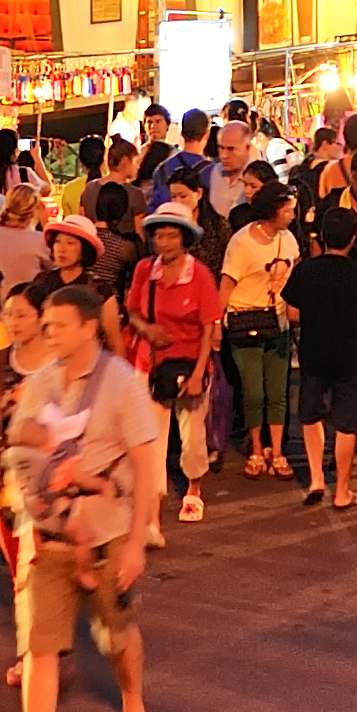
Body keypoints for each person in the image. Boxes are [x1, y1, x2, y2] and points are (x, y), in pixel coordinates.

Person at [0, 279, 162, 712]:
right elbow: (20, 435)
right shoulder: (40, 383)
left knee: (115, 636)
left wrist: (136, 543)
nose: (50, 334)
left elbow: (146, 464)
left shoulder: (123, 383)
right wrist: (28, 441)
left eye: (59, 326)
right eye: (46, 327)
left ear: (90, 327)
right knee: (41, 651)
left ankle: (133, 704)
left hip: (108, 535)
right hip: (49, 537)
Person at [120, 205, 220, 521]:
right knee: (152, 434)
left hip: (190, 363)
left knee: (191, 435)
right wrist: (147, 329)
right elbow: (132, 312)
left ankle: (193, 489)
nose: (164, 243)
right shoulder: (144, 271)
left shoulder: (200, 275)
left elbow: (208, 328)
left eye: (172, 236)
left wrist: (199, 371)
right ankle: (153, 499)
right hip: (150, 365)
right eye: (160, 236)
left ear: (185, 239)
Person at [285, 204, 357, 510]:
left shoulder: (306, 269)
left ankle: (315, 479)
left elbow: (292, 312)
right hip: (352, 355)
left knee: (311, 414)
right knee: (346, 424)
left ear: (322, 237)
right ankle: (342, 491)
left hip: (314, 352)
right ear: (352, 238)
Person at [218, 192, 300, 482]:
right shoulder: (241, 242)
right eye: (288, 210)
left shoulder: (288, 239)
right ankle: (256, 447)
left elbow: (296, 275)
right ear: (273, 210)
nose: (292, 215)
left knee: (277, 392)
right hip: (245, 320)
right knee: (253, 392)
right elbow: (227, 284)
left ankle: (277, 451)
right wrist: (217, 323)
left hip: (278, 323)